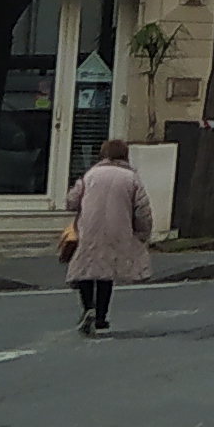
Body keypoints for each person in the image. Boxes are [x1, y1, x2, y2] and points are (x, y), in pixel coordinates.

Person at [63, 136, 154, 336]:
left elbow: (71, 201)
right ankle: (102, 317)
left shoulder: (90, 175)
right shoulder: (131, 178)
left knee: (86, 267)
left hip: (90, 228)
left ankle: (88, 307)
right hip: (118, 230)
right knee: (107, 273)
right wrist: (142, 233)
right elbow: (143, 210)